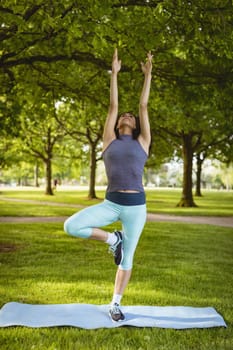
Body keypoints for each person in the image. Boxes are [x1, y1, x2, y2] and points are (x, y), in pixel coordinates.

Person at [64, 48, 152, 322]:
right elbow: (113, 106)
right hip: (112, 204)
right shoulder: (108, 141)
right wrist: (114, 74)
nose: (126, 115)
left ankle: (115, 304)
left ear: (135, 125)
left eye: (130, 116)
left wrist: (148, 75)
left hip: (136, 208)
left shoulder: (143, 142)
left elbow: (143, 106)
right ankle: (114, 239)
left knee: (128, 260)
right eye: (122, 116)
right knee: (71, 226)